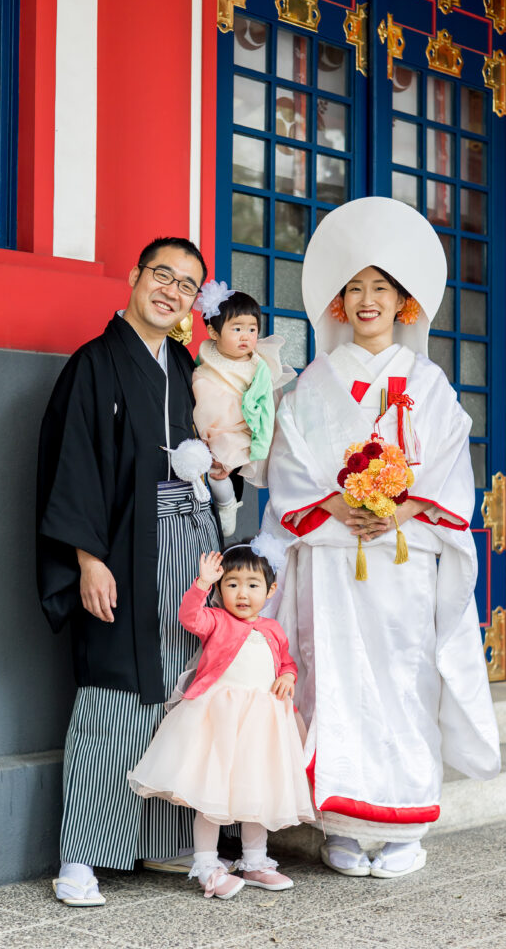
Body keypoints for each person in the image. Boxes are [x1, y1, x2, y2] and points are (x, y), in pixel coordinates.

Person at [262, 198, 501, 880]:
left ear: (402, 303)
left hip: (402, 560)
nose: (367, 300)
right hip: (333, 560)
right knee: (331, 682)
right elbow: (290, 461)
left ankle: (403, 825)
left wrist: (401, 511)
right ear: (338, 303)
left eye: (381, 288)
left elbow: (451, 465)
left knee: (404, 681)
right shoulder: (313, 381)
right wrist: (339, 501)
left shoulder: (428, 383)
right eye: (356, 288)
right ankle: (340, 824)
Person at [37, 237, 237, 906]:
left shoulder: (182, 366)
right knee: (114, 693)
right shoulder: (93, 364)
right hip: (119, 549)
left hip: (183, 547)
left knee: (179, 686)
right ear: (134, 277)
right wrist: (87, 558)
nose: (173, 291)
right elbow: (73, 466)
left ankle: (160, 840)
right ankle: (81, 856)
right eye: (163, 275)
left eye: (187, 285)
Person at [127, 540, 315, 900]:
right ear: (220, 589)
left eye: (252, 585)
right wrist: (201, 584)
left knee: (258, 791)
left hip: (263, 726)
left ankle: (256, 861)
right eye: (231, 584)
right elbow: (189, 617)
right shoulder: (216, 620)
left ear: (270, 590)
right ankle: (207, 865)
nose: (242, 593)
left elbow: (286, 662)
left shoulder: (273, 629)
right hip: (219, 722)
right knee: (212, 793)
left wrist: (288, 677)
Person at [192, 281, 295, 536]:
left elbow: (266, 406)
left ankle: (228, 505)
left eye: (252, 329)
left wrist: (260, 445)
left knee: (222, 470)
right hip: (203, 424)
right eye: (237, 328)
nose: (246, 336)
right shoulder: (206, 354)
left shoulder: (259, 366)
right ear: (214, 333)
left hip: (238, 428)